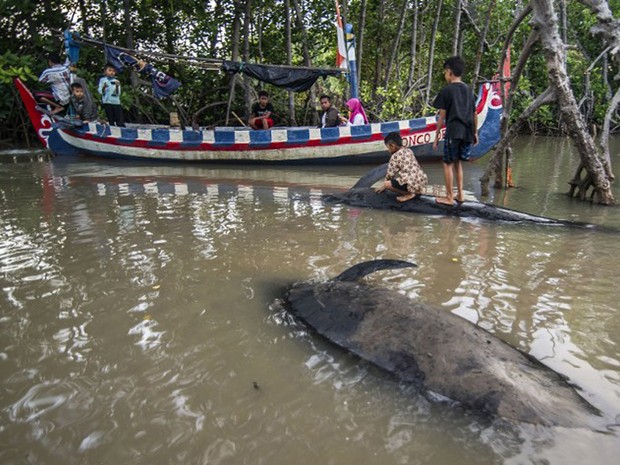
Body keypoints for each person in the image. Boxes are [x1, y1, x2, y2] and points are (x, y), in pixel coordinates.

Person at [432, 56, 478, 205]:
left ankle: (449, 197)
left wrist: (437, 135)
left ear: (449, 72)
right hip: (467, 132)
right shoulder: (468, 90)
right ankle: (460, 195)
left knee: (447, 163)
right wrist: (475, 133)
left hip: (453, 131)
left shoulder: (447, 91)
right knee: (458, 163)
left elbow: (442, 116)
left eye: (445, 72)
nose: (445, 75)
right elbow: (474, 114)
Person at [376, 131, 428, 202]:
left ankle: (409, 194)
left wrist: (384, 186)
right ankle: (417, 191)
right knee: (405, 177)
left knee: (387, 184)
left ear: (392, 146)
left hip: (411, 182)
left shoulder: (395, 156)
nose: (388, 150)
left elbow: (390, 175)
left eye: (388, 147)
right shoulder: (408, 150)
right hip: (422, 180)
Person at [98, 63, 125, 127]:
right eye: (110, 70)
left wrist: (116, 87)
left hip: (116, 102)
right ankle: (111, 127)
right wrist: (104, 87)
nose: (112, 72)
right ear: (105, 71)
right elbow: (100, 91)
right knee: (110, 117)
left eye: (113, 71)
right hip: (107, 102)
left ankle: (121, 127)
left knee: (119, 117)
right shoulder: (102, 80)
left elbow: (118, 93)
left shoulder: (116, 81)